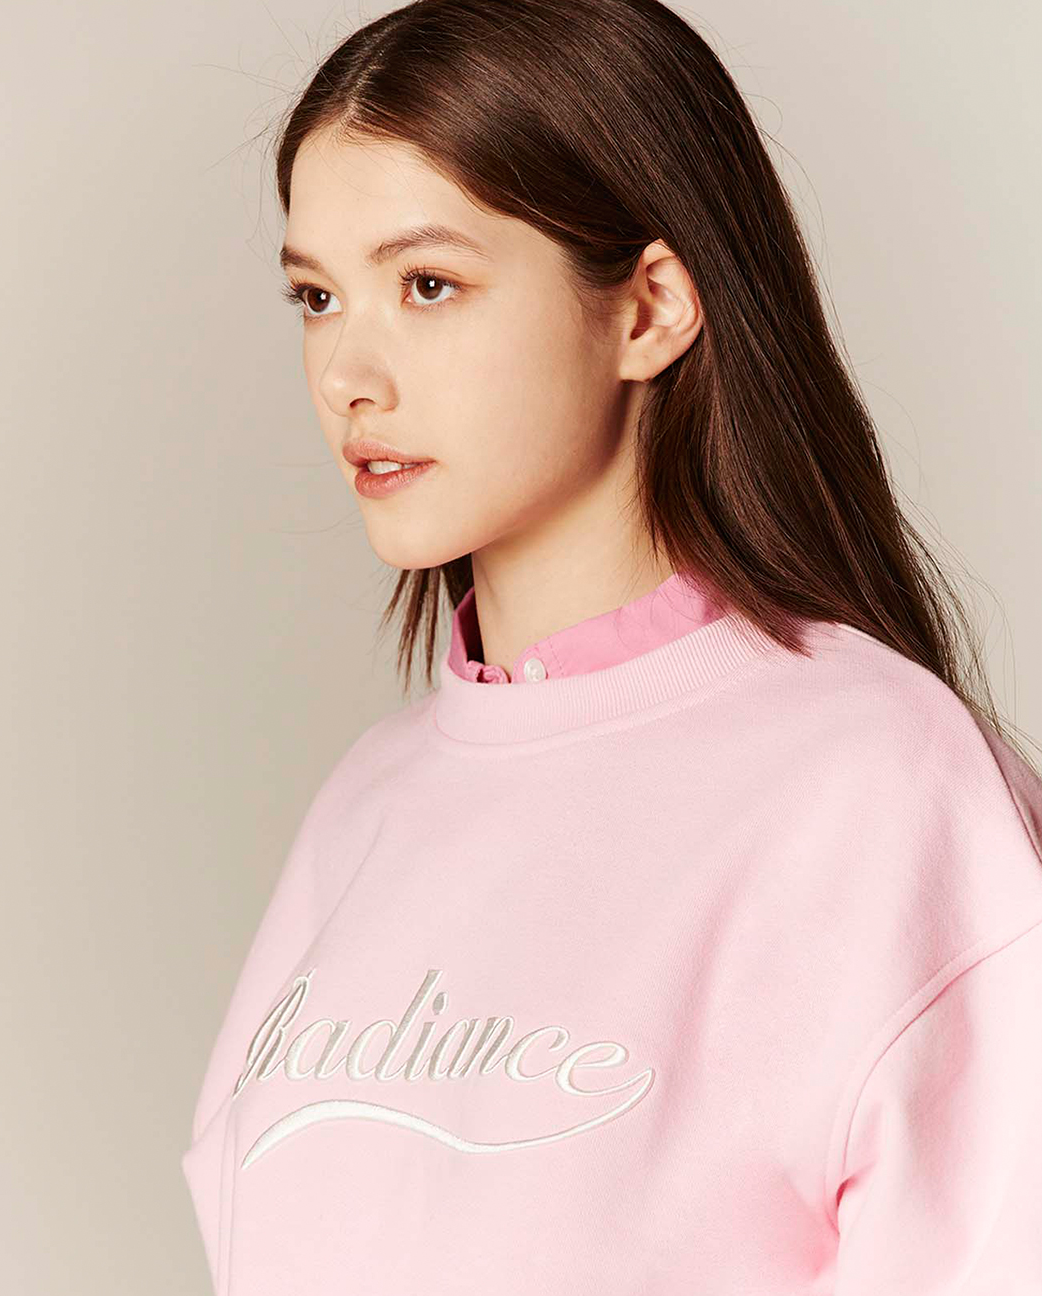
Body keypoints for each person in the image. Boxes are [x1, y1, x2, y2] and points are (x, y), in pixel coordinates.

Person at [180, 1, 1042, 1291]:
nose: (348, 375)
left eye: (428, 285)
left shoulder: (883, 788)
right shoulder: (367, 806)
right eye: (317, 296)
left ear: (649, 309)